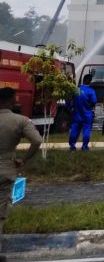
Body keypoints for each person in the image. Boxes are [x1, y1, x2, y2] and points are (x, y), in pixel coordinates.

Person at [0, 87, 42, 253]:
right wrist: (23, 160)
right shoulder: (20, 120)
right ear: (11, 100)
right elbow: (37, 140)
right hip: (5, 171)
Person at [69, 74, 97, 151]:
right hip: (87, 114)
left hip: (77, 114)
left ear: (83, 80)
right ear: (89, 81)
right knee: (86, 130)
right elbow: (94, 102)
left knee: (74, 130)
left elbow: (70, 101)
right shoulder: (91, 91)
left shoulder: (76, 89)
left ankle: (72, 146)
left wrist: (71, 108)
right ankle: (84, 147)